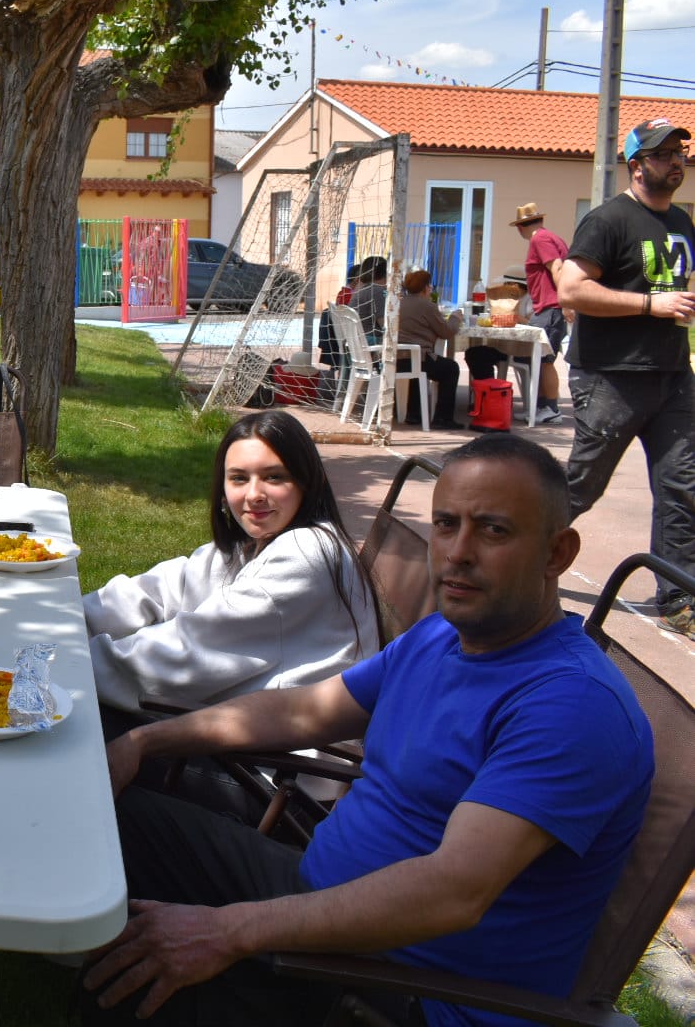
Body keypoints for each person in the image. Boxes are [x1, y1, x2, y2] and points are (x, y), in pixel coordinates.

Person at [81, 434, 653, 1026]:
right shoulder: (440, 638)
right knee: (94, 816)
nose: (457, 552)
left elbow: (453, 891)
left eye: (494, 530)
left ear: (558, 552)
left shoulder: (570, 706)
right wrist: (144, 741)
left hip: (399, 989)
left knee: (142, 985)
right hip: (314, 902)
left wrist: (226, 931)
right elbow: (302, 711)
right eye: (446, 524)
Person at [84, 410, 379, 720]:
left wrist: (69, 663)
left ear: (307, 482)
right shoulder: (256, 541)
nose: (254, 495)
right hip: (240, 735)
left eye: (274, 477)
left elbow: (187, 653)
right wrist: (73, 620)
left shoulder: (304, 557)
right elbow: (165, 589)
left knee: (67, 728)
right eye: (239, 478)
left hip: (269, 761)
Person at [557, 117, 695, 637]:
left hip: (673, 377)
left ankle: (679, 595)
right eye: (663, 154)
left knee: (683, 487)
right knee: (581, 487)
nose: (676, 160)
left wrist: (672, 308)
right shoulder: (607, 221)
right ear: (636, 166)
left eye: (680, 151)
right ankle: (510, 557)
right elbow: (572, 290)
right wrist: (649, 304)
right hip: (610, 378)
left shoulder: (682, 221)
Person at [510, 202, 571, 423]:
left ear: (520, 227)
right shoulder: (552, 238)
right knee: (533, 358)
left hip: (550, 307)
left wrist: (565, 301)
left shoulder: (540, 239)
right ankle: (540, 407)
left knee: (544, 359)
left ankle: (551, 408)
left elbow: (557, 267)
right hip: (548, 308)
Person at [395, 268, 464, 429]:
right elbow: (446, 331)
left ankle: (414, 414)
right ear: (425, 288)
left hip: (396, 357)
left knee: (418, 367)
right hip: (418, 358)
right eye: (430, 285)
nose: (431, 288)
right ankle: (443, 418)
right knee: (451, 368)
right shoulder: (427, 306)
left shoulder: (397, 302)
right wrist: (455, 318)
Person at [350, 255, 388, 342]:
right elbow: (385, 326)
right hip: (370, 342)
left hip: (358, 341)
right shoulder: (377, 291)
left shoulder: (362, 290)